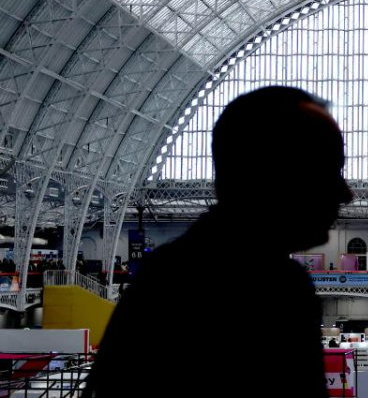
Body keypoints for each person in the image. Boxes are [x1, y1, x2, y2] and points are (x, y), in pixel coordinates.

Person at [83, 87, 353, 398]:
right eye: (328, 171)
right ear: (274, 175)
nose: (346, 194)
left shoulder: (166, 277)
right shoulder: (272, 289)